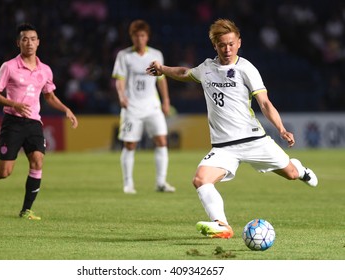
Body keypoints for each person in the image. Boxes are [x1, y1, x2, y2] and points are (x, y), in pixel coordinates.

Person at [146, 19, 318, 238]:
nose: (227, 49)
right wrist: (162, 69)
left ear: (239, 43)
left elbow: (264, 103)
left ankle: (300, 169)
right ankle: (222, 225)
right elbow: (184, 73)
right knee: (200, 180)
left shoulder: (246, 69)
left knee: (291, 175)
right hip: (224, 147)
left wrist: (281, 129)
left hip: (254, 141)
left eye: (231, 44)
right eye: (222, 45)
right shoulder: (207, 68)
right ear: (215, 46)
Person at [0, 23, 78, 220]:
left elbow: (49, 96)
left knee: (38, 161)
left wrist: (66, 109)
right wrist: (13, 104)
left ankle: (26, 210)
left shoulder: (45, 70)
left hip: (34, 122)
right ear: (18, 43)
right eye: (25, 39)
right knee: (5, 171)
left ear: (38, 42)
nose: (29, 43)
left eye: (33, 39)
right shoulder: (8, 67)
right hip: (13, 122)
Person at [112, 19, 175, 194]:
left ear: (147, 37)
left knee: (162, 140)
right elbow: (120, 79)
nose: (139, 39)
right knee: (130, 144)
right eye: (136, 36)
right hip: (132, 106)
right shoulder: (124, 56)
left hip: (152, 106)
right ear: (131, 37)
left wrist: (166, 100)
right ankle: (128, 183)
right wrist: (122, 96)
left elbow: (161, 79)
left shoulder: (156, 55)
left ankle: (161, 182)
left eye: (142, 35)